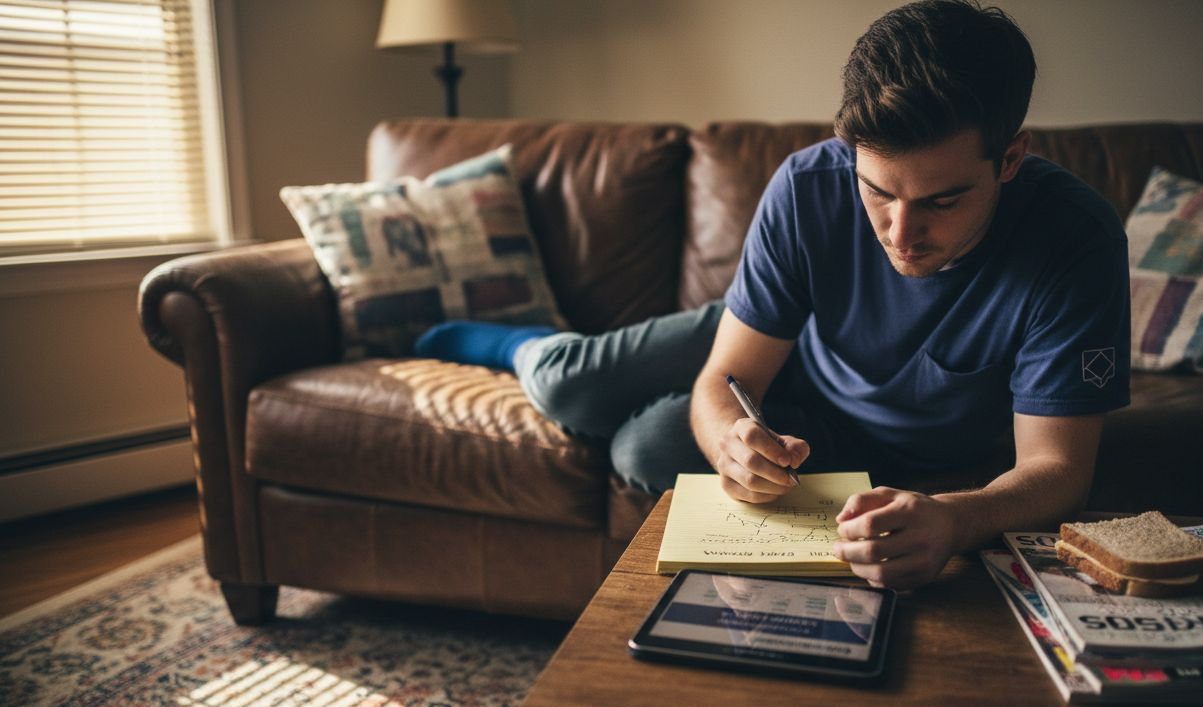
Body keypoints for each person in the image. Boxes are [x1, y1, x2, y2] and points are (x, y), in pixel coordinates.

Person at [417, 0, 1130, 591]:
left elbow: (1058, 469)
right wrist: (731, 437)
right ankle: (521, 341)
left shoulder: (1076, 238)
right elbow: (724, 380)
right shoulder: (807, 187)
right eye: (877, 192)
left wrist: (951, 517)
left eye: (942, 201)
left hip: (848, 425)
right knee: (575, 388)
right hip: (781, 337)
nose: (901, 234)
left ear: (1010, 159)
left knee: (643, 446)